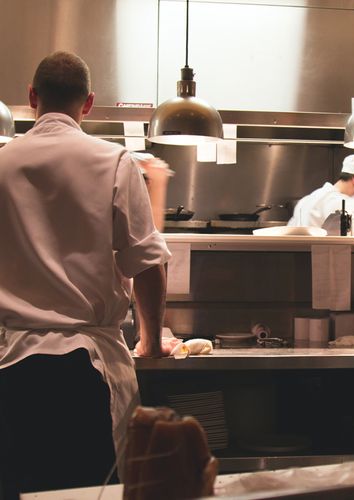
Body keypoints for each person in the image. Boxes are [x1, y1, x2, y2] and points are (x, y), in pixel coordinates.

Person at [0, 51, 176, 498]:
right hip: (85, 372)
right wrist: (151, 342)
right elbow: (148, 263)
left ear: (32, 97)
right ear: (89, 103)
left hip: (9, 365)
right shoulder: (114, 161)